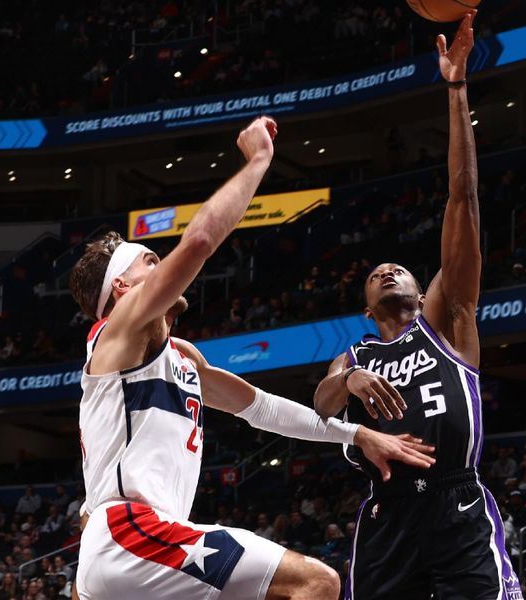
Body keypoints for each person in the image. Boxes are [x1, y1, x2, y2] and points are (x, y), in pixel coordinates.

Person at [70, 117, 436, 600]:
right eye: (150, 262)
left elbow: (263, 409)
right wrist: (260, 160)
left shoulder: (183, 357)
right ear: (122, 287)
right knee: (316, 582)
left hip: (144, 550)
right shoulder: (117, 330)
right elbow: (199, 241)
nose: (163, 267)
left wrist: (357, 433)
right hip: (130, 535)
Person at [312, 13, 522, 599]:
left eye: (398, 267)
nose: (387, 269)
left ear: (419, 285)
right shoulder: (355, 353)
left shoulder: (449, 318)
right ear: (366, 306)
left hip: (457, 504)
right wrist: (349, 379)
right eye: (376, 273)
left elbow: (464, 195)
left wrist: (456, 89)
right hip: (388, 517)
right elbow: (321, 406)